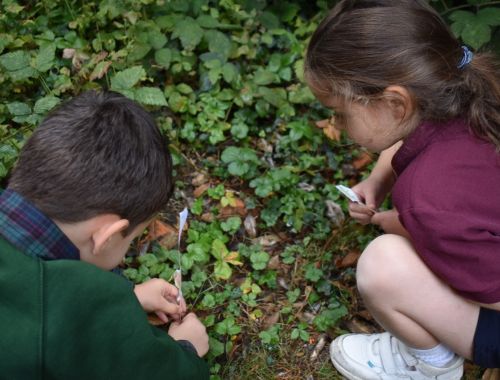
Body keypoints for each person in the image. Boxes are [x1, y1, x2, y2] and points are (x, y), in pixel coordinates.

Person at [305, 0, 500, 379]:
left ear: (395, 103)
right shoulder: (469, 91)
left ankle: (432, 365)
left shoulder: (428, 200)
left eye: (341, 113)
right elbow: (408, 134)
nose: (336, 124)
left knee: (382, 267)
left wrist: (404, 224)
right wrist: (379, 180)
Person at [0, 90, 209, 379]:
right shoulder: (79, 303)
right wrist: (185, 350)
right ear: (108, 235)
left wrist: (128, 297)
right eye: (132, 239)